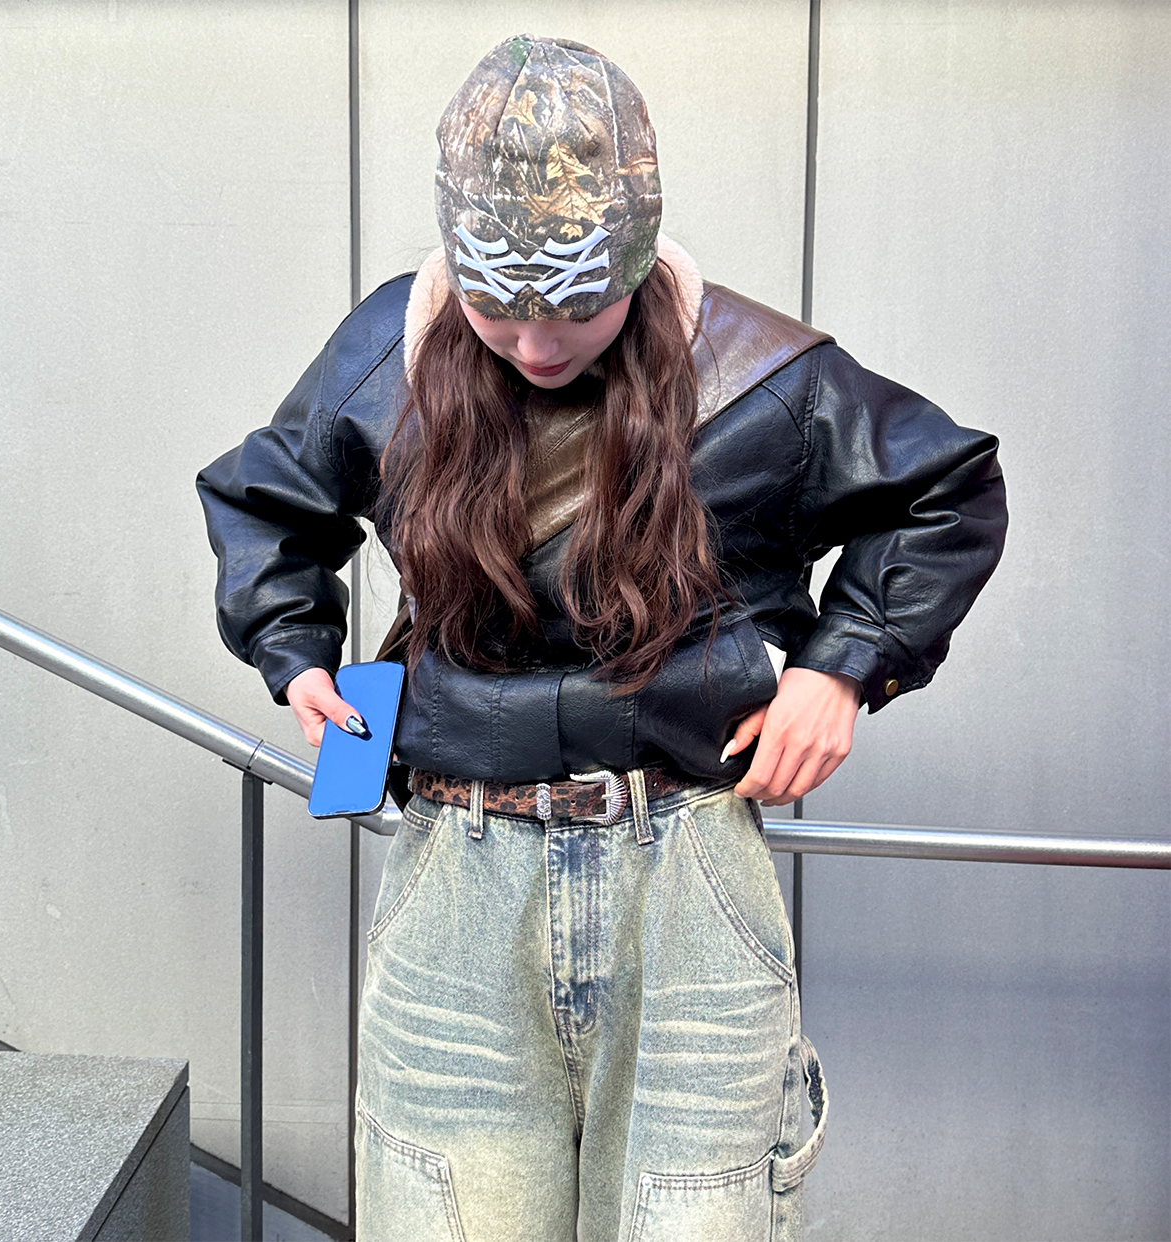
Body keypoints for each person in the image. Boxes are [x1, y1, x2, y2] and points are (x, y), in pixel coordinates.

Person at [197, 35, 1007, 1242]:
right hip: (459, 872)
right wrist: (293, 651)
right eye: (497, 305)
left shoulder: (758, 375)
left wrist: (842, 671)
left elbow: (945, 491)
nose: (536, 345)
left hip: (687, 869)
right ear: (455, 262)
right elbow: (265, 498)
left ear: (634, 254)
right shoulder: (391, 352)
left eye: (577, 305)